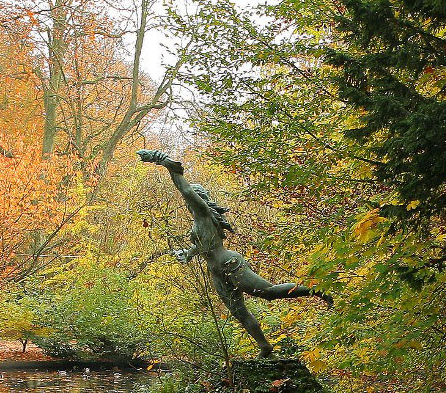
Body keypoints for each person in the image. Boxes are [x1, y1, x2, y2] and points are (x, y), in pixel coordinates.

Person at [138, 148, 332, 358]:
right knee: (238, 312)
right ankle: (265, 347)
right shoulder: (199, 222)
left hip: (229, 264)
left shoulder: (202, 212)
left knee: (268, 292)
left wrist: (165, 162)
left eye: (191, 199)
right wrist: (188, 253)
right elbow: (205, 244)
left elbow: (185, 191)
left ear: (199, 199)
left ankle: (317, 290)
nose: (187, 202)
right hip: (216, 271)